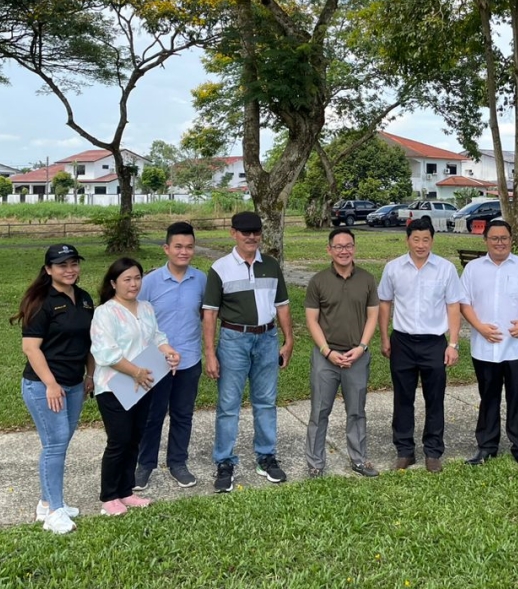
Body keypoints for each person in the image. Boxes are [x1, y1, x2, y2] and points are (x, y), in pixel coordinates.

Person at [202, 211, 294, 493]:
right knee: (229, 404)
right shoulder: (220, 268)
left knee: (266, 401)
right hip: (234, 340)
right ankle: (224, 462)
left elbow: (282, 305)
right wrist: (210, 353)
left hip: (267, 338)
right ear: (233, 233)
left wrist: (289, 339)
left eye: (255, 232)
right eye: (245, 232)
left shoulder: (271, 265)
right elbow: (210, 313)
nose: (251, 237)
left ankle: (266, 456)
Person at [12, 244, 95, 535]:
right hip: (44, 385)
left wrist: (91, 375)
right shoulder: (41, 302)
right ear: (48, 270)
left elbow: (89, 342)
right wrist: (50, 384)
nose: (70, 270)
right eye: (62, 265)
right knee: (55, 445)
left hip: (74, 384)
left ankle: (47, 503)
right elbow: (30, 348)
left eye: (73, 264)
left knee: (60, 443)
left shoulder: (84, 298)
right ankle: (55, 511)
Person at [91, 257, 181, 516]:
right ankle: (109, 497)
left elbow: (156, 337)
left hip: (142, 385)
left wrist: (168, 352)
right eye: (127, 279)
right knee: (118, 441)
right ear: (113, 283)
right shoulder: (105, 312)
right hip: (114, 386)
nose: (133, 284)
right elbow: (106, 353)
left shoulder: (146, 307)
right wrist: (136, 371)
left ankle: (126, 491)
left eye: (137, 278)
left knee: (134, 440)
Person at [459, 219, 518, 469]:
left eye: (504, 238)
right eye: (494, 238)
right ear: (485, 241)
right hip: (484, 345)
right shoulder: (473, 269)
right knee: (488, 396)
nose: (499, 243)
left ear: (511, 240)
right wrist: (478, 326)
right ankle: (487, 446)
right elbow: (463, 302)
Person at [378, 215, 465, 473]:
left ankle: (433, 451)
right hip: (402, 341)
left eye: (425, 239)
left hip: (434, 343)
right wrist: (384, 337)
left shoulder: (446, 269)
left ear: (432, 241)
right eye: (416, 239)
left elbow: (453, 306)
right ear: (408, 240)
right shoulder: (393, 268)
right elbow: (385, 303)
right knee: (403, 399)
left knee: (434, 398)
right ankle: (405, 451)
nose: (420, 244)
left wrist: (454, 344)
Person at [133, 222, 207, 491]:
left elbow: (204, 315)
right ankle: (144, 465)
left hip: (189, 359)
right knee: (153, 415)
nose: (184, 252)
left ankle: (177, 463)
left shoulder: (201, 280)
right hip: (155, 361)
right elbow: (138, 320)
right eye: (178, 246)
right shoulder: (149, 282)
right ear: (167, 249)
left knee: (183, 414)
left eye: (189, 247)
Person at [304, 227, 380, 478]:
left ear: (354, 248)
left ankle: (358, 459)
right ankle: (315, 463)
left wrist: (362, 347)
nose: (344, 250)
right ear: (329, 250)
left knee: (357, 410)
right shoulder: (318, 281)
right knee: (319, 411)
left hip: (357, 356)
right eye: (338, 246)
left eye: (348, 246)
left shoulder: (367, 279)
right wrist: (326, 352)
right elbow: (312, 321)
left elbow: (373, 316)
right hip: (326, 357)